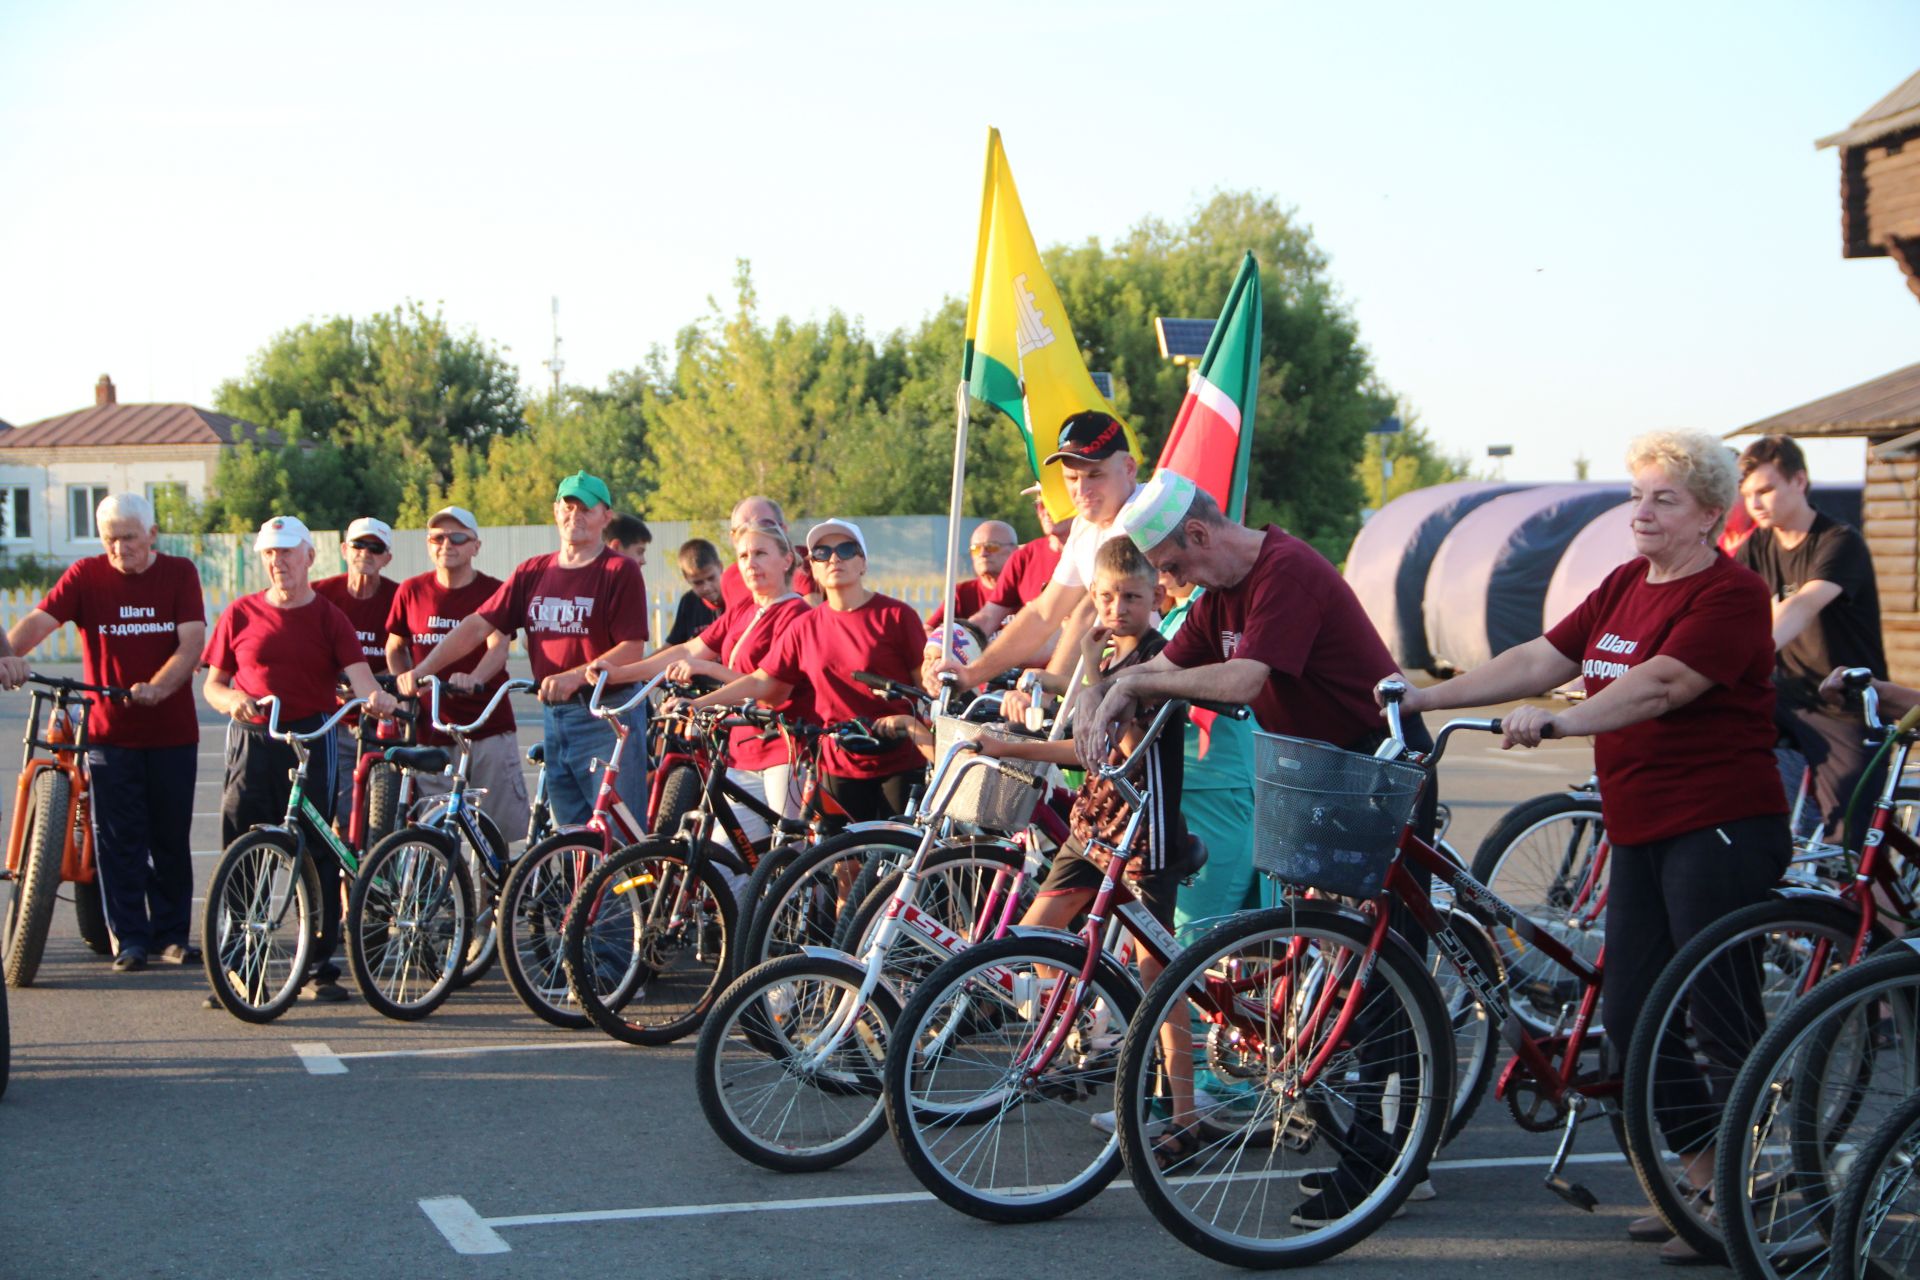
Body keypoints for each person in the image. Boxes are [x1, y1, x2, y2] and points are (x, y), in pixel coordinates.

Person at [1379, 432, 1788, 1260]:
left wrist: (1562, 722)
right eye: (1638, 495)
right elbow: (1541, 656)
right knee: (1635, 1015)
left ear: (1712, 515)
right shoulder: (1625, 583)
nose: (1642, 511)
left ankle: (1751, 1195)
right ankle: (1704, 1178)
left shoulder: (1732, 596)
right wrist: (1428, 695)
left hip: (1719, 824)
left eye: (1664, 499)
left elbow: (1664, 683)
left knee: (1715, 1010)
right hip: (1640, 823)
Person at [1091, 468, 1442, 1224]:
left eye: (1173, 567)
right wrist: (1116, 687)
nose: (1170, 582)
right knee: (1340, 960)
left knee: (1383, 967)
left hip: (1382, 762)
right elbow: (1169, 663)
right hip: (1328, 768)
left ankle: (1388, 1161)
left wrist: (1146, 688)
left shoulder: (1285, 572)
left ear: (1199, 534)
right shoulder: (1219, 592)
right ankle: (1373, 1149)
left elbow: (1246, 680)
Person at [965, 536, 1200, 1157]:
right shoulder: (1110, 655)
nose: (1116, 608)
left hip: (1141, 836)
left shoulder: (1158, 664)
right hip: (1091, 828)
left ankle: (1184, 1113)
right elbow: (1087, 751)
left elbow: (1111, 751)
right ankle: (1091, 1032)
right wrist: (1013, 737)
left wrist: (1088, 681)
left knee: (1160, 979)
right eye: (1104, 597)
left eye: (1130, 596)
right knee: (1035, 937)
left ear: (1157, 597)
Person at [2, 493, 205, 972]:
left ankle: (173, 936)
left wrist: (157, 688)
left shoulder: (179, 573)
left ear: (152, 535)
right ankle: (130, 939)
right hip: (110, 734)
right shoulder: (85, 576)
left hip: (172, 731)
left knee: (169, 837)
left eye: (129, 539)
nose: (119, 550)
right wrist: (7, 654)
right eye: (110, 540)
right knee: (118, 840)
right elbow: (39, 622)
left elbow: (193, 641)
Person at [202, 515, 399, 1003]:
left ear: (309, 557)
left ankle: (317, 966)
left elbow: (361, 678)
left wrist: (377, 698)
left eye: (287, 551)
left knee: (316, 849)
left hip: (313, 734)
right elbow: (213, 684)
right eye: (270, 553)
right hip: (253, 739)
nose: (278, 561)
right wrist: (233, 702)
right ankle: (240, 968)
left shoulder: (329, 617)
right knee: (243, 853)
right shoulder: (241, 613)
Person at [395, 472, 650, 826]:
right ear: (555, 511)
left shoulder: (617, 570)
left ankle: (638, 883)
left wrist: (576, 677)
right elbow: (475, 626)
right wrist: (421, 671)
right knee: (570, 834)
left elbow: (632, 649)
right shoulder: (533, 571)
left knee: (615, 833)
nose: (575, 516)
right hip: (555, 715)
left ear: (605, 516)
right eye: (568, 506)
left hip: (605, 715)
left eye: (586, 509)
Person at [686, 519, 924, 822]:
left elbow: (924, 687)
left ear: (863, 562)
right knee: (842, 864)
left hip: (897, 758)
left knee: (897, 859)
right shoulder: (806, 626)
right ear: (812, 567)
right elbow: (762, 681)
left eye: (846, 550)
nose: (834, 558)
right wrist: (698, 704)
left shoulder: (896, 615)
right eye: (822, 553)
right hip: (838, 762)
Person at [597, 521, 813, 841]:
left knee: (790, 855)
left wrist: (703, 684)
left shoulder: (796, 614)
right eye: (743, 556)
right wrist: (619, 674)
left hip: (784, 750)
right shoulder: (744, 610)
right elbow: (686, 649)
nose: (750, 563)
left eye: (760, 554)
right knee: (730, 863)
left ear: (786, 561)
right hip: (741, 750)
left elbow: (768, 687)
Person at [1735, 434, 1887, 846]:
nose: (1755, 503)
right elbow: (1727, 612)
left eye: (1766, 490)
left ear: (1799, 481)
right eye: (1747, 494)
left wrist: (1742, 659)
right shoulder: (1756, 545)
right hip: (1786, 697)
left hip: (1842, 706)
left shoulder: (1839, 541)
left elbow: (1802, 606)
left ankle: (1870, 907)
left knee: (1845, 843)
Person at [925, 411, 1139, 695]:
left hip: (1160, 684)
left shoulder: (1141, 515)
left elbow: (1088, 612)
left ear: (1129, 468)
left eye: (1095, 474)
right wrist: (968, 674)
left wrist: (1047, 688)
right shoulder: (1085, 528)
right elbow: (1042, 613)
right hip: (1118, 683)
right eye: (1071, 478)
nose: (1081, 489)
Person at [383, 506, 531, 840]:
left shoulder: (494, 590)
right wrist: (406, 681)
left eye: (458, 537)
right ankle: (444, 893)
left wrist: (476, 678)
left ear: (475, 546)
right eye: (437, 537)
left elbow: (498, 646)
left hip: (486, 728)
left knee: (501, 837)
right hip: (431, 729)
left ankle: (498, 892)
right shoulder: (411, 590)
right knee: (431, 834)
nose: (446, 544)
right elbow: (395, 646)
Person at [313, 516, 399, 824]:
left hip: (383, 720)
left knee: (382, 818)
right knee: (340, 812)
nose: (366, 553)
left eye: (375, 548)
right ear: (344, 550)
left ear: (387, 557)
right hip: (334, 720)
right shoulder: (319, 595)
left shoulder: (399, 597)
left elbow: (408, 656)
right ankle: (343, 871)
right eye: (358, 545)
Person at [966, 484, 1071, 637]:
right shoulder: (1025, 557)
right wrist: (956, 640)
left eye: (1054, 502)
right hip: (1028, 658)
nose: (1045, 511)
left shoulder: (1096, 551)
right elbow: (989, 617)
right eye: (1040, 505)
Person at [719, 495, 817, 611]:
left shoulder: (803, 561)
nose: (750, 533)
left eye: (763, 526)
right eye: (740, 529)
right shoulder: (729, 578)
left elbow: (811, 617)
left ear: (783, 530)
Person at [927, 520, 1017, 629]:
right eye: (976, 548)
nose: (983, 553)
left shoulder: (1029, 590)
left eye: (992, 546)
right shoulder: (963, 593)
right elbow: (929, 630)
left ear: (1014, 551)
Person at [664, 538, 726, 647]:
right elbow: (673, 645)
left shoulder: (735, 597)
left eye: (711, 578)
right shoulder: (689, 602)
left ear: (720, 567)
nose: (706, 587)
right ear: (686, 577)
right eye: (698, 583)